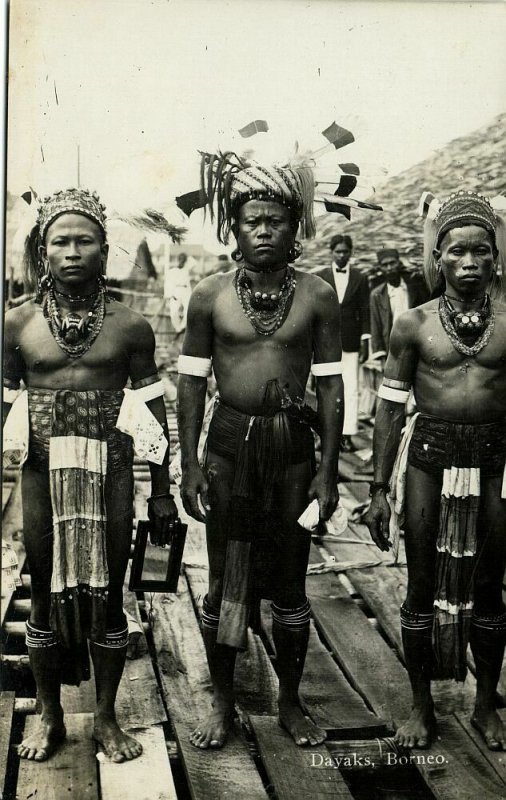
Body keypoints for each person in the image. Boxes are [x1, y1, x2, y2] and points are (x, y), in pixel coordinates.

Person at [176, 150, 345, 749]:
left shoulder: (319, 295)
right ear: (234, 227)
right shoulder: (209, 295)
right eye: (253, 220)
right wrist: (190, 463)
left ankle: (292, 703)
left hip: (293, 452)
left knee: (292, 581)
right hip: (227, 448)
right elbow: (192, 381)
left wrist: (328, 474)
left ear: (294, 227)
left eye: (276, 220)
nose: (265, 230)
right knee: (227, 579)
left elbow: (329, 384)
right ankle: (223, 703)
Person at [3, 188, 178, 762]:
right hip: (41, 473)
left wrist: (161, 492)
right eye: (61, 241)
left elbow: (153, 409)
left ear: (105, 250)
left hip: (114, 468)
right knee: (46, 593)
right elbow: (6, 408)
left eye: (85, 241)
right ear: (42, 250)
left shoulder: (131, 327)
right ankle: (50, 715)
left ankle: (105, 717)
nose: (73, 251)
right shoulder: (17, 324)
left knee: (109, 592)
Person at [365, 190, 506, 751]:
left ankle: (484, 704)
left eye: (480, 252)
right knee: (420, 586)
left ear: (495, 257)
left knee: (492, 587)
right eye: (456, 253)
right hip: (429, 460)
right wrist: (377, 490)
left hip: (496, 460)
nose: (468, 263)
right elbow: (390, 407)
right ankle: (421, 706)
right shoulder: (412, 324)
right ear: (438, 258)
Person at [313, 235, 370, 452]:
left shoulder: (360, 278)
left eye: (345, 251)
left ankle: (347, 433)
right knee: (324, 386)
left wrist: (366, 340)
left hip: (351, 340)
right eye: (338, 252)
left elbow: (365, 310)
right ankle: (322, 434)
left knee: (351, 387)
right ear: (331, 252)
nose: (342, 256)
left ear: (351, 253)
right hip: (325, 340)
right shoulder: (321, 277)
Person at [369, 248, 429, 364]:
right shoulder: (377, 295)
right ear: (380, 268)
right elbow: (375, 326)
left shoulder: (414, 289)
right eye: (385, 265)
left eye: (392, 263)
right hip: (392, 347)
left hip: (415, 344)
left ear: (399, 263)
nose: (389, 268)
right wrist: (381, 356)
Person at [165, 251, 192, 334]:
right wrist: (170, 295)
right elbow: (168, 283)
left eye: (184, 260)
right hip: (176, 290)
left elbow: (188, 284)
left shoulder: (186, 270)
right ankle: (178, 328)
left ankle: (183, 326)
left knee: (188, 310)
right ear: (178, 260)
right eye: (181, 259)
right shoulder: (172, 271)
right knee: (173, 311)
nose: (182, 261)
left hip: (185, 290)